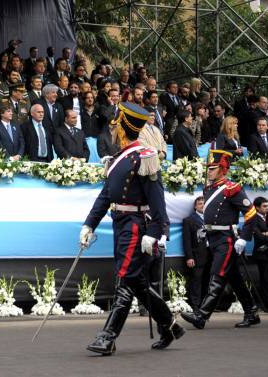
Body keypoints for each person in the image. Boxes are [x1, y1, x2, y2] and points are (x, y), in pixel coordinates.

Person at [80, 101, 185, 355]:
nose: (112, 130)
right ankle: (170, 325)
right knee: (137, 281)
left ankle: (107, 337)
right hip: (121, 225)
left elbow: (157, 202)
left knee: (126, 279)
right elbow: (105, 197)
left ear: (123, 127)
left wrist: (154, 233)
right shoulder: (118, 159)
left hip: (137, 227)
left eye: (115, 126)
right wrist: (89, 224)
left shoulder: (145, 157)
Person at [181, 150, 260, 329]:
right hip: (214, 239)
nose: (209, 171)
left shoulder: (232, 189)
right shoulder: (208, 188)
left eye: (213, 168)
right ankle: (252, 311)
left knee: (216, 276)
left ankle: (201, 316)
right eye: (208, 168)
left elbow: (251, 213)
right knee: (234, 279)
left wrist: (244, 238)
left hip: (226, 240)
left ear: (223, 169)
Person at [182, 196, 211, 311]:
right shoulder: (189, 220)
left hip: (211, 254)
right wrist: (189, 257)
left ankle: (205, 304)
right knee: (196, 281)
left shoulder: (211, 218)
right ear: (195, 206)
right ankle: (195, 305)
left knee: (208, 280)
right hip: (197, 255)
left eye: (204, 203)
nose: (202, 205)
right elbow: (187, 240)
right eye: (200, 204)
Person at [252, 197, 268, 312]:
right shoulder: (254, 219)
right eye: (264, 206)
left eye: (267, 206)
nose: (267, 208)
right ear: (257, 207)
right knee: (265, 279)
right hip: (262, 253)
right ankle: (267, 304)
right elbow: (259, 236)